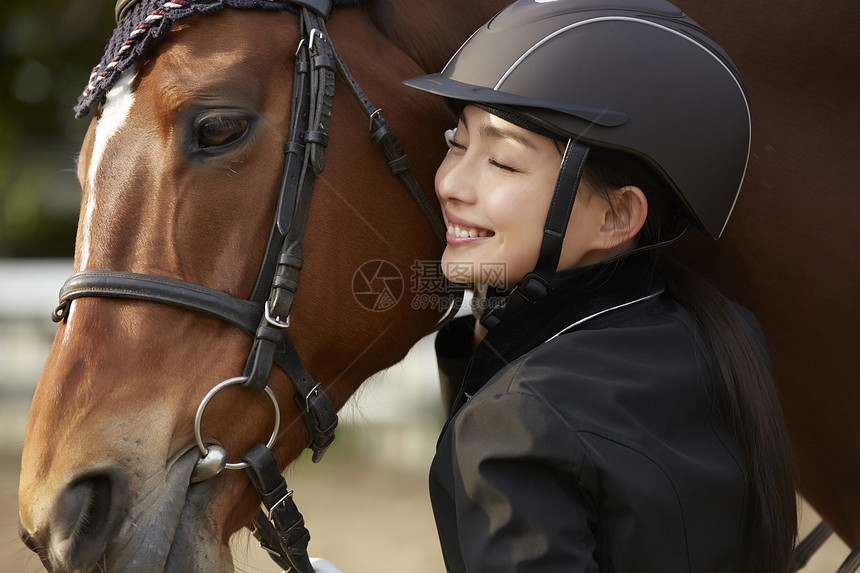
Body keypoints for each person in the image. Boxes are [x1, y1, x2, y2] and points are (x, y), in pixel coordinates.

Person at [396, 0, 798, 571]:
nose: (451, 183)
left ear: (615, 218)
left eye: (504, 163)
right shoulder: (725, 335)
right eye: (457, 143)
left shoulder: (516, 423)